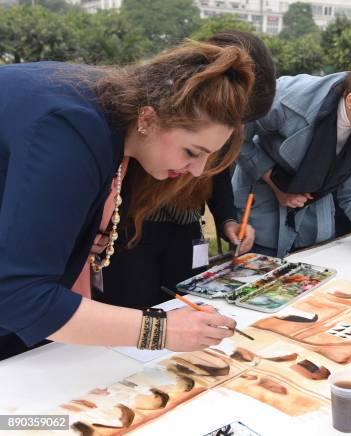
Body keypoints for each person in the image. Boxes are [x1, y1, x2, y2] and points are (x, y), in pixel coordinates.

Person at [0, 41, 254, 360]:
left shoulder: (108, 113)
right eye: (192, 152)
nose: (198, 170)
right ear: (148, 118)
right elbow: (19, 296)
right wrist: (161, 330)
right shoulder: (71, 131)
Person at [99, 31, 276, 310]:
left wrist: (229, 219)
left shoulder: (214, 140)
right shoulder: (147, 119)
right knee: (135, 311)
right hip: (134, 228)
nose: (196, 169)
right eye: (191, 153)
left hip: (187, 226)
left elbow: (216, 173)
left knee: (187, 303)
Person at [232, 44, 351, 259]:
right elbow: (237, 135)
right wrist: (275, 181)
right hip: (259, 214)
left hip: (314, 224)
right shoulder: (288, 97)